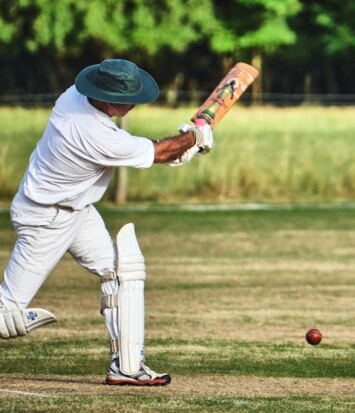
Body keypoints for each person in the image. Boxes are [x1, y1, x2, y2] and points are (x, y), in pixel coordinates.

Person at [0, 59, 213, 386]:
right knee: (5, 315)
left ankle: (126, 366)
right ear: (108, 99)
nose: (133, 104)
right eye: (128, 98)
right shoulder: (93, 134)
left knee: (119, 273)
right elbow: (157, 153)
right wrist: (193, 138)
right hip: (46, 219)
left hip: (77, 210)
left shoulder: (73, 95)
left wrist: (186, 144)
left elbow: (159, 152)